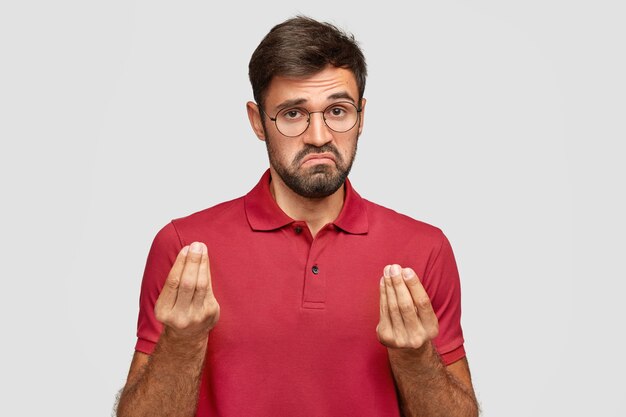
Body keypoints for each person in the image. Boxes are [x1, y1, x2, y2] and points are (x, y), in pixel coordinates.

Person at [116, 16, 479, 417]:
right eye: (293, 114)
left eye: (338, 111)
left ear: (362, 116)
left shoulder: (424, 250)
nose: (319, 136)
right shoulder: (185, 247)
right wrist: (182, 343)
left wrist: (415, 359)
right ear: (258, 121)